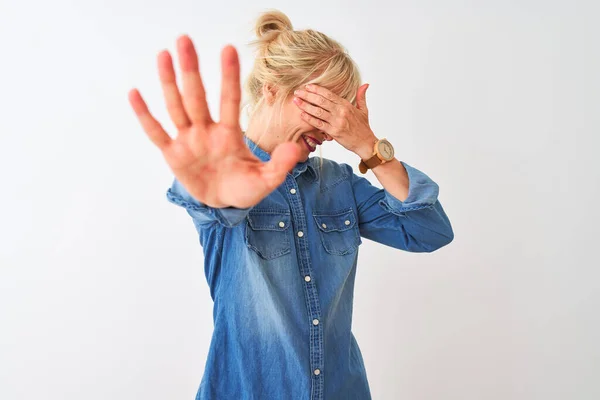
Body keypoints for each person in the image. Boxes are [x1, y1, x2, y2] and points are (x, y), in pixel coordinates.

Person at [128, 9, 453, 400]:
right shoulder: (226, 179)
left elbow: (429, 232)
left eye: (340, 115)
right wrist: (220, 191)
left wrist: (369, 147)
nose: (329, 130)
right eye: (321, 107)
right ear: (272, 90)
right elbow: (211, 200)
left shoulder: (337, 183)